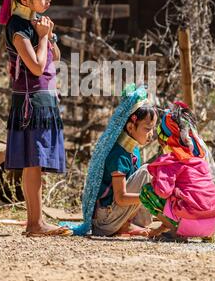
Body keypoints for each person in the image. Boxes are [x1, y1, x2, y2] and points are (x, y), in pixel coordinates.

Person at [0, 0, 71, 237]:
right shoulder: (18, 28)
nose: (48, 1)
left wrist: (48, 38)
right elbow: (37, 65)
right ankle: (35, 223)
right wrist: (42, 37)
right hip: (31, 102)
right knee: (33, 163)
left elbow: (55, 53)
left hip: (42, 99)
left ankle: (35, 221)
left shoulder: (34, 22)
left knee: (36, 163)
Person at [60, 84, 157, 237]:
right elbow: (120, 197)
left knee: (149, 172)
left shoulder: (132, 150)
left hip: (113, 217)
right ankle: (123, 226)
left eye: (152, 128)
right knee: (146, 172)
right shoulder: (118, 154)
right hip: (105, 222)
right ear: (131, 126)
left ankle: (127, 225)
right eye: (147, 128)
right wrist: (150, 197)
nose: (151, 134)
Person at [139, 102, 215, 239]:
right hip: (212, 223)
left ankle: (177, 233)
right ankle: (209, 236)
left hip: (189, 223)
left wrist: (157, 179)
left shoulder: (170, 161)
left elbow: (162, 192)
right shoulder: (199, 159)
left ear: (165, 141)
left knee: (147, 192)